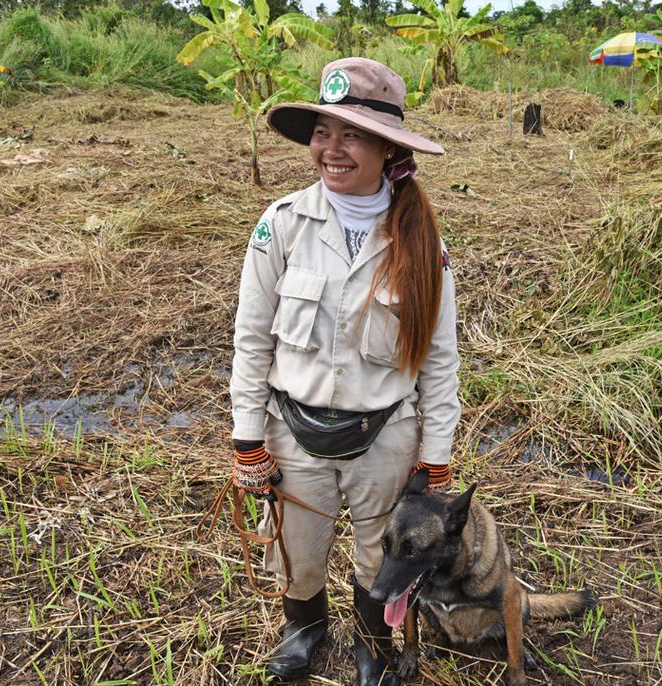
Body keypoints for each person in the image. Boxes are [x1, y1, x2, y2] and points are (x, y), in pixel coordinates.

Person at [228, 57, 460, 685]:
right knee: (294, 552)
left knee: (377, 558)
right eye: (322, 131)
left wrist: (435, 455)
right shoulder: (281, 225)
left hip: (383, 438)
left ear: (388, 149)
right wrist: (248, 439)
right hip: (292, 432)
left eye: (350, 134)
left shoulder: (422, 244)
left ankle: (371, 644)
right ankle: (303, 629)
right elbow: (251, 339)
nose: (330, 149)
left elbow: (439, 361)